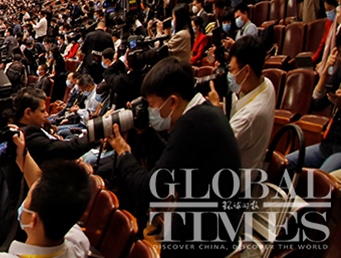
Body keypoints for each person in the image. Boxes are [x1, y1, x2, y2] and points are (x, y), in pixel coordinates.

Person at [106, 57, 242, 258]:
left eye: (153, 105)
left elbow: (150, 189)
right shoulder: (205, 113)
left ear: (172, 101)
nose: (152, 112)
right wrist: (146, 132)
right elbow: (174, 158)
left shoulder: (191, 125)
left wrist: (124, 153)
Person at [206, 35, 276, 170]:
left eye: (232, 70)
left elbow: (217, 149)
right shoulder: (266, 84)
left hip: (237, 181)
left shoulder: (249, 117)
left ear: (247, 70)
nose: (229, 75)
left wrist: (215, 111)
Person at [14, 87, 92, 164]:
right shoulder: (26, 136)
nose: (46, 114)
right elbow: (69, 150)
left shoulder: (27, 128)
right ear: (28, 113)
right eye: (43, 111)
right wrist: (94, 135)